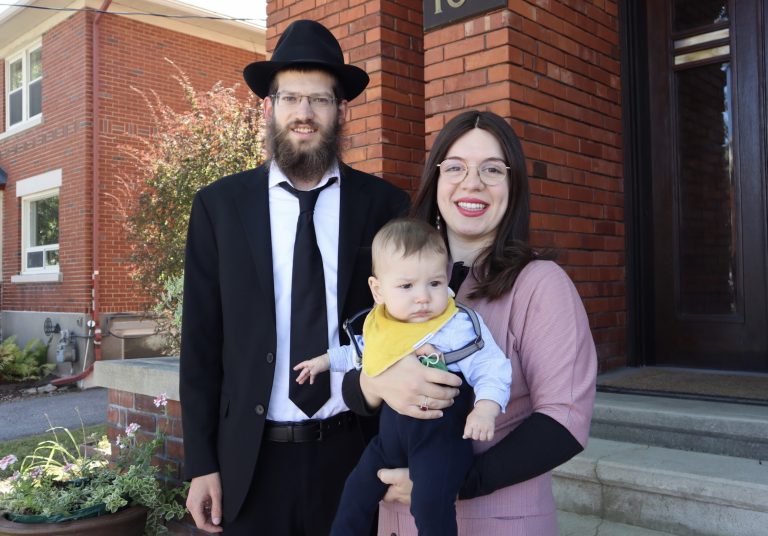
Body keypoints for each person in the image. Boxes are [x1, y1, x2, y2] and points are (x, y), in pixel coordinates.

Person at [179, 19, 410, 536]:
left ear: (341, 110)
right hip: (251, 463)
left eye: (320, 100)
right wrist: (201, 463)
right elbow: (199, 342)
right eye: (290, 98)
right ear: (268, 108)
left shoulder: (383, 206)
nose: (303, 114)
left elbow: (406, 330)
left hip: (356, 455)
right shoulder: (220, 207)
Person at [341, 110, 597, 535]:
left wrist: (453, 482)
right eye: (455, 167)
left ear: (512, 188)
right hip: (395, 520)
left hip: (498, 520)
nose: (471, 182)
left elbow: (564, 423)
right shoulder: (397, 276)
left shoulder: (540, 285)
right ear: (436, 179)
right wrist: (374, 384)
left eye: (492, 169)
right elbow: (355, 376)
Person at [294, 218, 511, 536]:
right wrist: (323, 361)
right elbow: (359, 353)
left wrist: (486, 408)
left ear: (447, 277)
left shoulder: (455, 326)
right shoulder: (382, 325)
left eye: (434, 284)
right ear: (378, 290)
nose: (423, 297)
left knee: (430, 505)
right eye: (407, 286)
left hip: (438, 441)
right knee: (355, 491)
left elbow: (492, 366)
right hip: (389, 442)